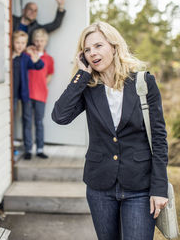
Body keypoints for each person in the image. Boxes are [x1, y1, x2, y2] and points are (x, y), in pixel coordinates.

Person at [52, 21, 168, 240]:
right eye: (87, 49)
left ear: (114, 47)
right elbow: (60, 116)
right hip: (99, 188)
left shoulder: (144, 83)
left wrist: (159, 187)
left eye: (98, 46)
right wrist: (81, 76)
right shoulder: (87, 88)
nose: (92, 53)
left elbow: (159, 138)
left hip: (139, 187)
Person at [12, 30, 44, 160]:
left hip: (24, 93)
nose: (20, 45)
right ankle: (12, 145)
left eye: (23, 43)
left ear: (26, 44)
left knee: (26, 119)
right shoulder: (10, 56)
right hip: (12, 93)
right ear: (13, 42)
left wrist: (35, 57)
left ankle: (28, 149)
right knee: (12, 119)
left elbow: (38, 66)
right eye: (17, 42)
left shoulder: (25, 57)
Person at [25, 29, 54, 159]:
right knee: (27, 121)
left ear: (45, 42)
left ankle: (40, 149)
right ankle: (28, 150)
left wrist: (41, 85)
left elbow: (49, 75)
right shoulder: (28, 55)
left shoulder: (49, 59)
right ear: (33, 41)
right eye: (36, 40)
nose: (39, 43)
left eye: (41, 40)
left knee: (39, 122)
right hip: (27, 93)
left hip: (41, 94)